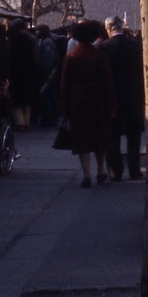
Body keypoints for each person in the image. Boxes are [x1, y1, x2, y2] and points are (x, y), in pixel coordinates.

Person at [60, 20, 115, 188]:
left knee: (82, 138)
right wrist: (111, 105)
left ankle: (87, 174)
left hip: (77, 99)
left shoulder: (71, 56)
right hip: (98, 98)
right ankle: (101, 170)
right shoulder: (98, 55)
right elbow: (108, 81)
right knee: (100, 136)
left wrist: (64, 107)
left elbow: (64, 83)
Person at [98, 16, 146, 181]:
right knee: (134, 137)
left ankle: (115, 171)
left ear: (108, 28)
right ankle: (134, 169)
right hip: (134, 96)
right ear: (122, 28)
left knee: (113, 136)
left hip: (111, 98)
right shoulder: (137, 46)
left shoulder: (102, 48)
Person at [7, 19, 39, 130]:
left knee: (16, 100)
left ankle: (20, 122)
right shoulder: (30, 39)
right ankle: (26, 122)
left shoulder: (12, 41)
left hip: (16, 74)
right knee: (26, 100)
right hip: (28, 73)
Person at [35, 24, 59, 126]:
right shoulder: (47, 42)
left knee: (48, 96)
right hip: (49, 74)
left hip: (48, 75)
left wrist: (43, 70)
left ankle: (50, 118)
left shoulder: (46, 44)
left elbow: (49, 60)